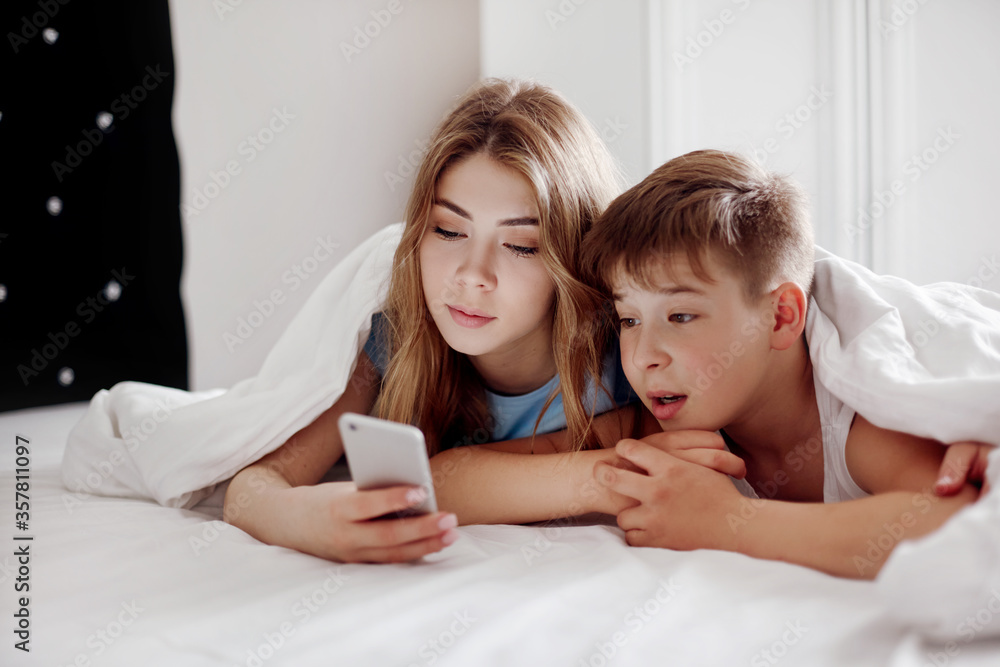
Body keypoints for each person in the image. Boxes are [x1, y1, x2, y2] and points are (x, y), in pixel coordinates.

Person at [223, 78, 724, 562]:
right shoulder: (397, 339)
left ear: (571, 258)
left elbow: (444, 484)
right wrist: (304, 519)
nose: (472, 275)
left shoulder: (628, 353)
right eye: (448, 230)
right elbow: (253, 487)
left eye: (521, 245)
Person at [581, 149, 989, 579]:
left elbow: (954, 525)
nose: (644, 357)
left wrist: (726, 521)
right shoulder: (667, 421)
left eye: (681, 316)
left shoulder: (856, 419)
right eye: (629, 319)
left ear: (781, 317)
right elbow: (503, 476)